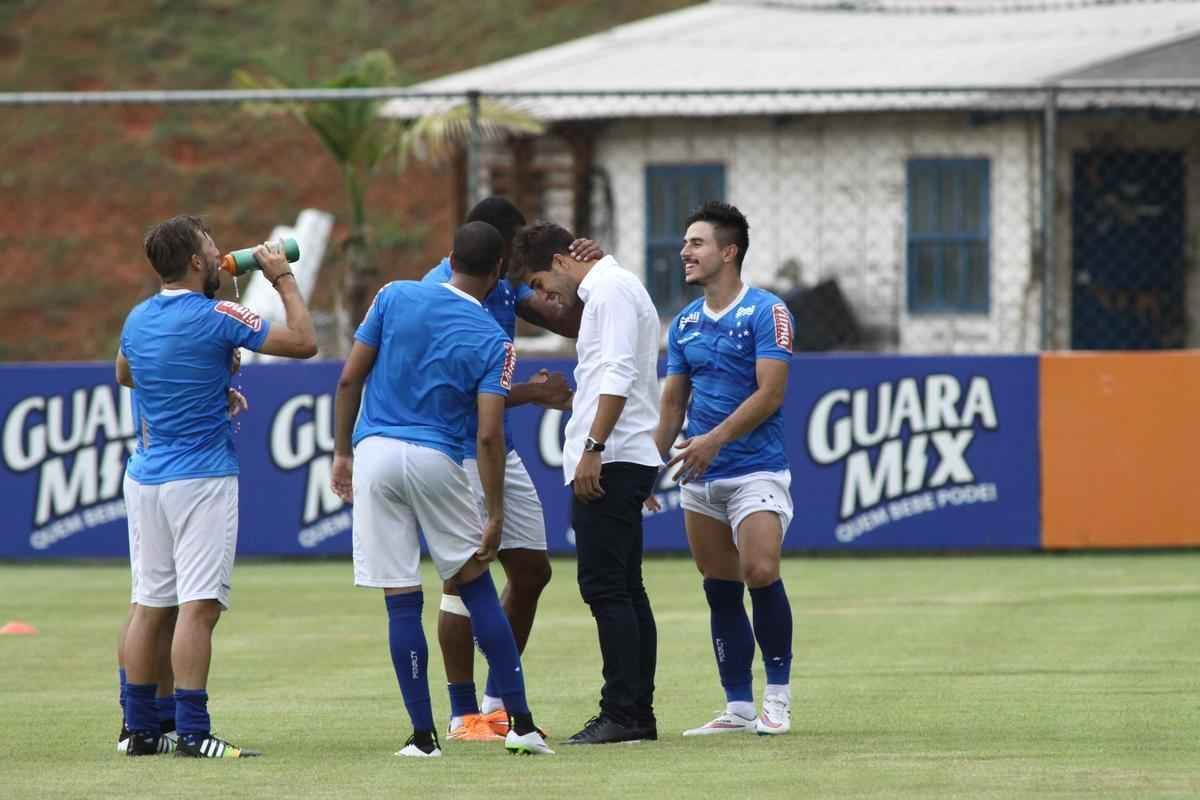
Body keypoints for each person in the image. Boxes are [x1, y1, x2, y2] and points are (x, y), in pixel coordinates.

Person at [331, 221, 553, 758]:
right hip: (436, 456)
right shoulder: (495, 341)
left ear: (449, 257)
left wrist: (341, 453)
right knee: (475, 588)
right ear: (498, 271)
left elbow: (348, 379)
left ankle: (423, 737)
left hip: (376, 453)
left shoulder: (393, 295)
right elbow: (488, 432)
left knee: (401, 602)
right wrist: (495, 511)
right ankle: (519, 723)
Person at [117, 216, 318, 757]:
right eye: (212, 247)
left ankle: (138, 731)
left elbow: (126, 373)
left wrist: (207, 381)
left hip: (146, 477)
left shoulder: (138, 318)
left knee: (147, 605)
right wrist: (282, 279)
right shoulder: (219, 313)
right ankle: (192, 733)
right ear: (198, 263)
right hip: (200, 479)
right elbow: (304, 341)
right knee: (198, 607)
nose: (222, 253)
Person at [420, 197, 598, 741]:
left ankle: (496, 706)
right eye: (516, 255)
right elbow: (448, 394)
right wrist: (532, 392)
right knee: (461, 580)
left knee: (532, 572)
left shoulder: (499, 285)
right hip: (456, 451)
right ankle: (460, 713)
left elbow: (569, 318)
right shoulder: (434, 297)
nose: (523, 268)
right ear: (497, 257)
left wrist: (591, 273)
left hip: (501, 450)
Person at [508, 222, 662, 745]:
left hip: (611, 456)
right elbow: (610, 377)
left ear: (559, 260)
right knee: (626, 588)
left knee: (606, 588)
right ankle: (635, 712)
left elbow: (618, 374)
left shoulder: (610, 292)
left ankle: (623, 712)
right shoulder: (610, 287)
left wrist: (594, 447)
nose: (544, 297)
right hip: (622, 452)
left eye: (539, 282)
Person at [650, 201, 795, 736]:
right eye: (686, 243)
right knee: (719, 585)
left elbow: (771, 392)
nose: (685, 252)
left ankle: (777, 698)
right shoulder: (684, 323)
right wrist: (648, 468)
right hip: (700, 476)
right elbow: (671, 407)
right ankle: (737, 706)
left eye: (697, 242)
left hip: (756, 470)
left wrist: (712, 440)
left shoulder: (766, 312)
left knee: (760, 571)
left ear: (728, 251)